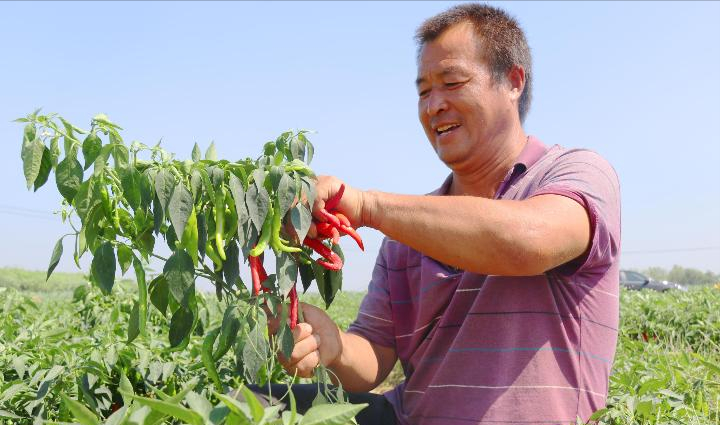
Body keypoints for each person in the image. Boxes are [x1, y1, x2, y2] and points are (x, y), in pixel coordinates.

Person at [259, 4, 621, 424]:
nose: (433, 106)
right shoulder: (408, 232)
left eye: (451, 82)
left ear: (513, 81)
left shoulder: (576, 173)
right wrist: (335, 345)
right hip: (409, 417)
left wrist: (369, 206)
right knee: (252, 406)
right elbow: (374, 356)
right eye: (424, 91)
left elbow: (530, 241)